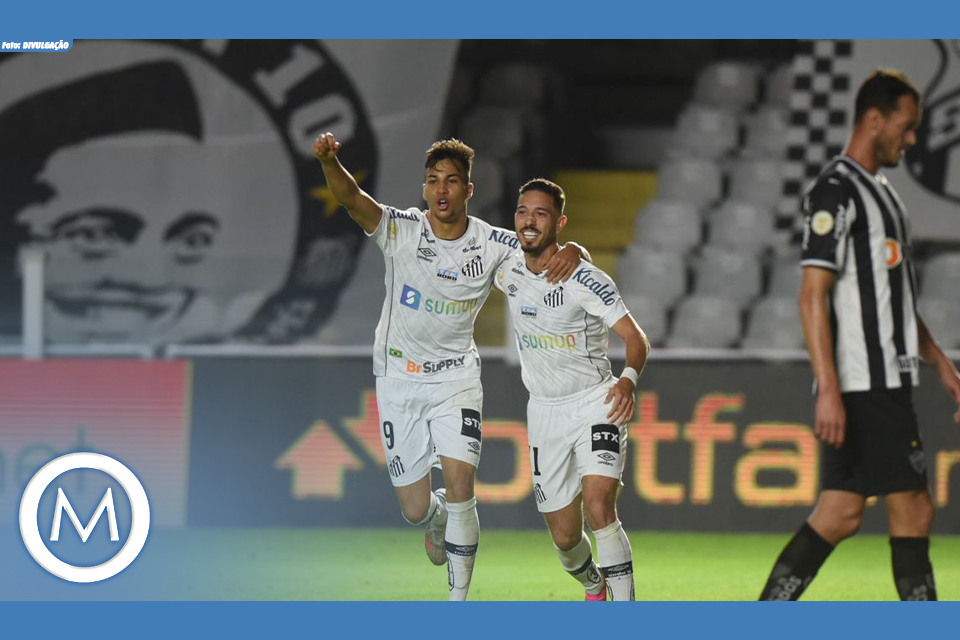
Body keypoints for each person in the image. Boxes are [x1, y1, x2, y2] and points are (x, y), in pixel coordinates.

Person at [311, 134, 587, 600]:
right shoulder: (401, 230)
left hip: (455, 379)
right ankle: (434, 518)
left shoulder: (494, 244)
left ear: (468, 190)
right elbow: (352, 199)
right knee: (414, 509)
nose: (441, 189)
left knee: (461, 486)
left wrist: (575, 249)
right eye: (433, 180)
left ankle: (456, 608)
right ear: (424, 188)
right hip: (398, 378)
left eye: (452, 181)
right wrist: (328, 161)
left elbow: (544, 250)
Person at [759, 68, 960, 601]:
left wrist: (942, 366)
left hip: (883, 379)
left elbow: (897, 303)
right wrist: (828, 388)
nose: (912, 138)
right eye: (906, 126)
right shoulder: (836, 191)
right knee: (913, 509)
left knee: (841, 513)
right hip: (864, 383)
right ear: (874, 119)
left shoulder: (885, 196)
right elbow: (812, 295)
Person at [495, 178, 649, 601]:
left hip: (595, 403)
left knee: (600, 508)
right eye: (523, 211)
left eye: (541, 214)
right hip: (544, 411)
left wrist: (628, 380)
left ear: (559, 223)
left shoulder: (586, 278)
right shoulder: (506, 266)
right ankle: (594, 585)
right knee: (565, 538)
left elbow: (636, 339)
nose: (529, 221)